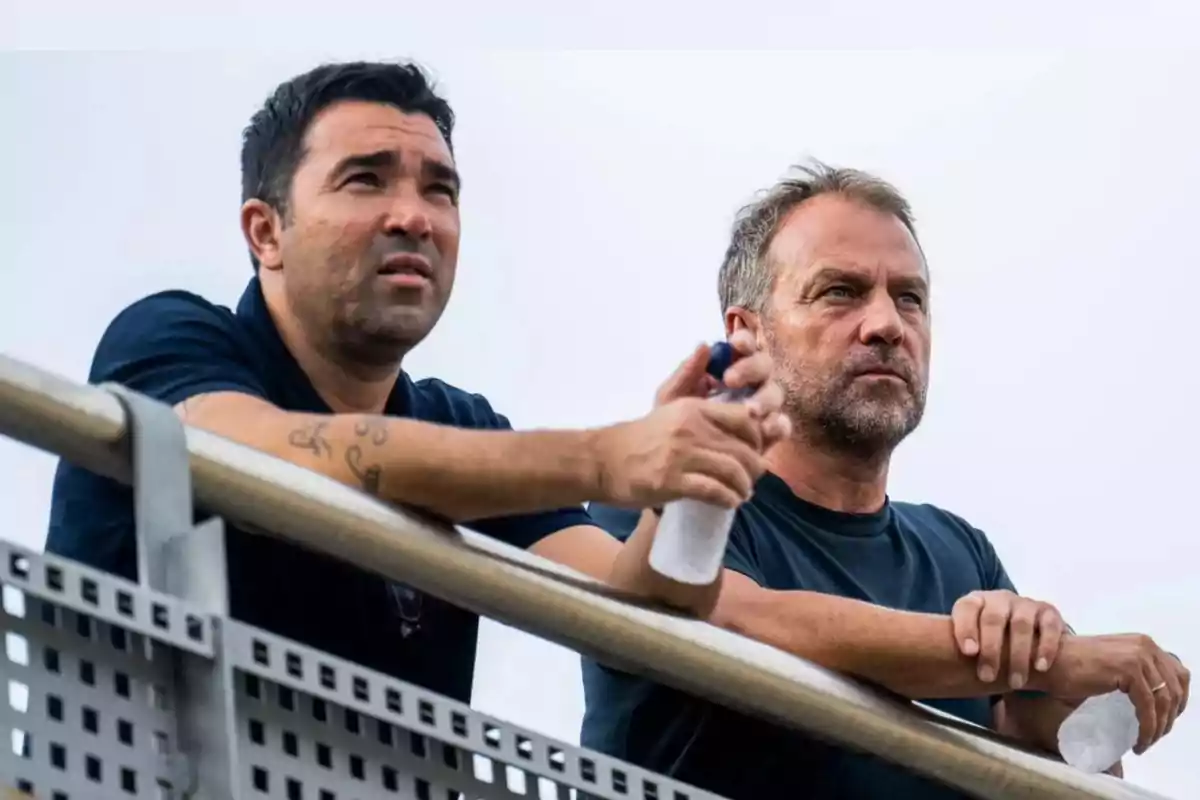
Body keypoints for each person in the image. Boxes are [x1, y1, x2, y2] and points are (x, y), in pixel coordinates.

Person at [43, 61, 791, 707]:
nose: (414, 217)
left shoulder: (462, 426)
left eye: (441, 190)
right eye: (364, 180)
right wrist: (606, 459)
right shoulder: (171, 339)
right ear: (265, 232)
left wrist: (697, 485)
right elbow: (263, 458)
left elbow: (642, 617)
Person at [582, 160, 1190, 799]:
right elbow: (730, 620)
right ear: (745, 333)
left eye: (910, 298)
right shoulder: (664, 494)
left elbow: (1041, 747)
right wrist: (1015, 655)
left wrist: (1079, 696)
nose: (887, 325)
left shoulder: (960, 551)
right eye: (840, 291)